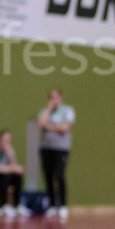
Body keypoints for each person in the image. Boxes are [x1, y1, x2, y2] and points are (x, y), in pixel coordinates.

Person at [36, 88, 75, 219]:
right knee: (48, 176)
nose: (53, 100)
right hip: (46, 148)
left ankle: (62, 205)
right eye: (51, 97)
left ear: (61, 98)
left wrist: (49, 126)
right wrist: (48, 109)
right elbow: (40, 123)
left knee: (59, 175)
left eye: (55, 97)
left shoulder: (67, 111)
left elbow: (64, 128)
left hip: (61, 149)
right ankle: (52, 205)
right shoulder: (45, 111)